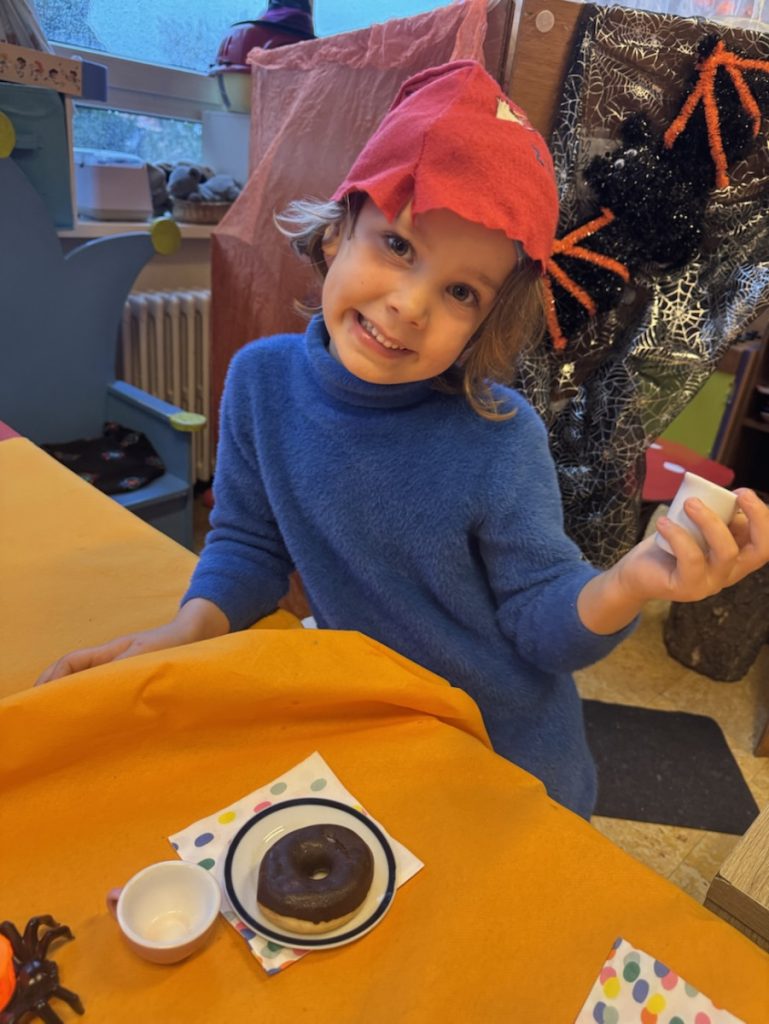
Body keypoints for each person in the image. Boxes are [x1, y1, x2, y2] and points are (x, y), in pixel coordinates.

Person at [37, 61, 769, 818]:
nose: (411, 306)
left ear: (486, 321)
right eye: (397, 244)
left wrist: (634, 581)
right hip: (376, 731)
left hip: (504, 758)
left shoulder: (501, 439)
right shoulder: (260, 382)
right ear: (336, 233)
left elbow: (543, 625)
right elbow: (249, 545)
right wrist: (188, 627)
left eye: (461, 292)